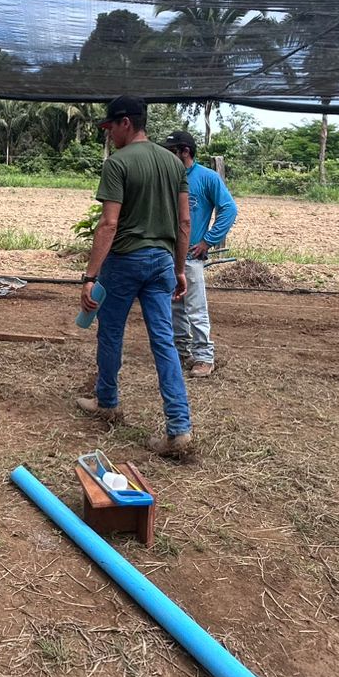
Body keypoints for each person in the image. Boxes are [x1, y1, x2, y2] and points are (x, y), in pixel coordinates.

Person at [76, 96, 195, 459]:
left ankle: (108, 402)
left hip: (125, 261)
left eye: (111, 126)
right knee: (164, 342)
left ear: (126, 122)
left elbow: (109, 223)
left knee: (111, 332)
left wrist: (90, 275)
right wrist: (178, 268)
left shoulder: (118, 163)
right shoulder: (174, 164)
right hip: (161, 262)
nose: (109, 133)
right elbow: (184, 222)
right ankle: (180, 429)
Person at [160, 130, 238, 377]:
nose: (166, 156)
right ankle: (181, 352)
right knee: (174, 306)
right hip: (165, 252)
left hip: (191, 254)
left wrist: (208, 241)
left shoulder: (207, 178)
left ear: (185, 152)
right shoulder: (165, 177)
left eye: (171, 152)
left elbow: (229, 209)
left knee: (195, 307)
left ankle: (204, 356)